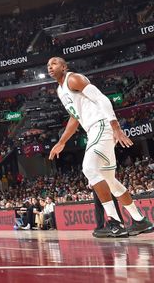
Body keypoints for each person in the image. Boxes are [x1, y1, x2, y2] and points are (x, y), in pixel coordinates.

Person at [47, 57, 154, 238]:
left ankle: (115, 222)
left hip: (102, 125)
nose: (50, 67)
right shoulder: (60, 90)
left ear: (64, 67)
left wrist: (116, 127)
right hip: (93, 130)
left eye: (54, 63)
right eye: (48, 65)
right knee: (110, 181)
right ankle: (139, 220)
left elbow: (101, 98)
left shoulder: (74, 79)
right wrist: (62, 141)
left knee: (89, 168)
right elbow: (75, 118)